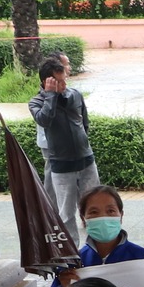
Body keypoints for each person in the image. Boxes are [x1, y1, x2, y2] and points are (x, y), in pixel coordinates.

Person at [40, 186, 144, 287]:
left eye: (110, 211)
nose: (103, 218)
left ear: (121, 215)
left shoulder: (142, 258)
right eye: (94, 212)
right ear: (83, 219)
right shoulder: (73, 264)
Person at [29, 57, 99, 238]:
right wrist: (51, 95)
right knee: (66, 213)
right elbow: (45, 119)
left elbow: (85, 122)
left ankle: (98, 247)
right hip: (61, 164)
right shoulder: (36, 103)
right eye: (58, 81)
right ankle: (73, 255)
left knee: (94, 205)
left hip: (86, 159)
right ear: (47, 81)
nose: (64, 85)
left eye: (64, 79)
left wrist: (83, 142)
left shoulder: (75, 94)